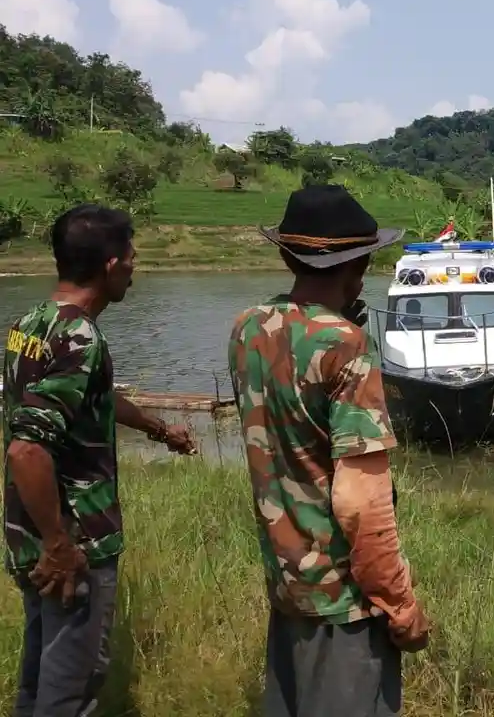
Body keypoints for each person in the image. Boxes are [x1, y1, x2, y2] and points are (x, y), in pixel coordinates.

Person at [227, 184, 430, 717]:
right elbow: (361, 502)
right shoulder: (347, 345)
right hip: (344, 603)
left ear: (285, 255)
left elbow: (290, 438)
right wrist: (400, 604)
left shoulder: (247, 328)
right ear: (359, 264)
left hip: (286, 585)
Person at [3, 203, 196, 717]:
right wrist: (60, 544)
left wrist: (159, 430)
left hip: (28, 534)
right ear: (111, 265)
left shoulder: (31, 324)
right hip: (72, 540)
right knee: (70, 689)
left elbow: (94, 398)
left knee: (40, 677)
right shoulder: (81, 338)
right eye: (132, 257)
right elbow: (26, 448)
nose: (136, 267)